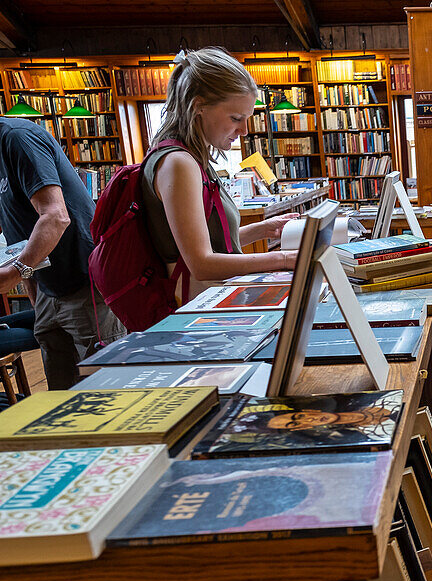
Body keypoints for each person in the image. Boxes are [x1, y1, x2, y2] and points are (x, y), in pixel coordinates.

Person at [144, 47, 298, 302]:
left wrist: (262, 230)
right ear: (199, 106)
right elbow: (202, 264)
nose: (245, 130)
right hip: (193, 311)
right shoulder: (178, 163)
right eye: (236, 117)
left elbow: (203, 243)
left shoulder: (192, 158)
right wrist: (282, 259)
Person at [0, 115, 127, 389]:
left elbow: (56, 217)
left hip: (85, 282)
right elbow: (17, 229)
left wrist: (17, 271)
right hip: (46, 287)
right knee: (62, 398)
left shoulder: (17, 137)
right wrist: (33, 289)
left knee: (108, 391)